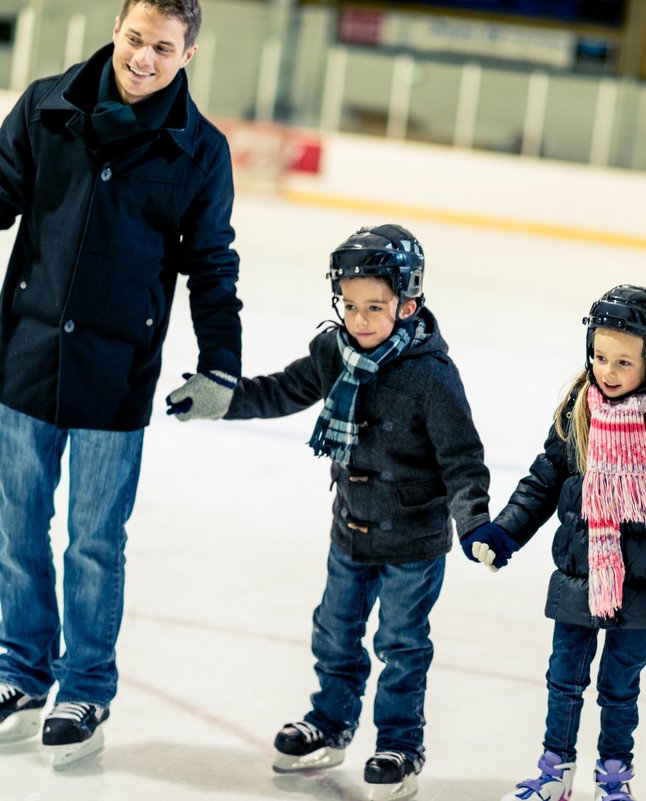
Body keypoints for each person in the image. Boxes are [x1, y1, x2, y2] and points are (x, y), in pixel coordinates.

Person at [0, 0, 242, 769]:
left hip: (115, 374)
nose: (143, 58)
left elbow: (213, 266)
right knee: (18, 527)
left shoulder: (199, 150)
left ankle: (85, 683)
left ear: (187, 54)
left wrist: (222, 363)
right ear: (115, 31)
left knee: (94, 543)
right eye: (134, 39)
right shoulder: (46, 107)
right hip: (27, 357)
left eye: (163, 46)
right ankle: (21, 672)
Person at [201, 224, 490, 801]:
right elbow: (285, 389)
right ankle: (330, 722)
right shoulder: (334, 352)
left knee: (402, 645)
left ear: (409, 301)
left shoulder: (431, 375)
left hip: (413, 539)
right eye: (350, 305)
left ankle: (399, 745)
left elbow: (463, 461)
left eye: (375, 307)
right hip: (350, 530)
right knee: (334, 632)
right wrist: (225, 399)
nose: (360, 320)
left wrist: (476, 523)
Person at [461, 285, 646, 801]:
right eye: (599, 356)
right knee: (564, 679)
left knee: (621, 688)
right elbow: (543, 481)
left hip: (642, 581)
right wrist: (504, 531)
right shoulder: (579, 411)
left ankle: (614, 778)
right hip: (579, 573)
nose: (608, 371)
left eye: (623, 361)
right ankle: (555, 774)